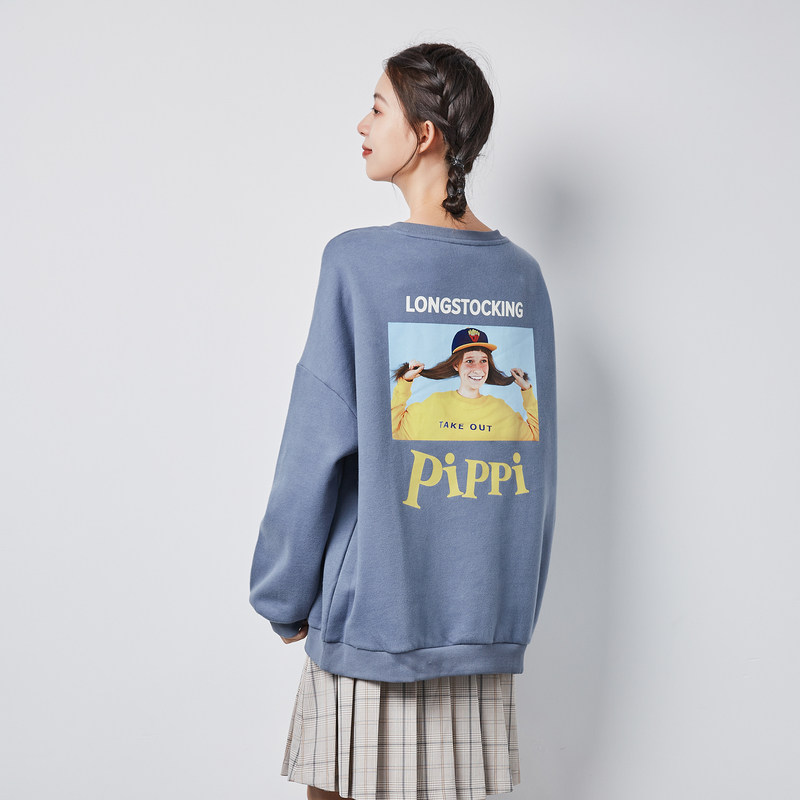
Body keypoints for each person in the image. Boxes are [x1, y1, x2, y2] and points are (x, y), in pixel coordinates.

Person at [249, 43, 557, 800]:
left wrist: (282, 593)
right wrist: (507, 611)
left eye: (378, 107)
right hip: (481, 625)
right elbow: (538, 469)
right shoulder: (522, 277)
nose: (362, 124)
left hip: (374, 624)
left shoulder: (357, 264)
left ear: (424, 134)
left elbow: (316, 440)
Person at [391, 325, 540, 441]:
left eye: (483, 361)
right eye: (469, 361)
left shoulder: (501, 410)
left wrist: (526, 389)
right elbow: (393, 430)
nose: (478, 369)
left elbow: (535, 438)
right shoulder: (434, 404)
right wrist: (405, 381)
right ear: (456, 365)